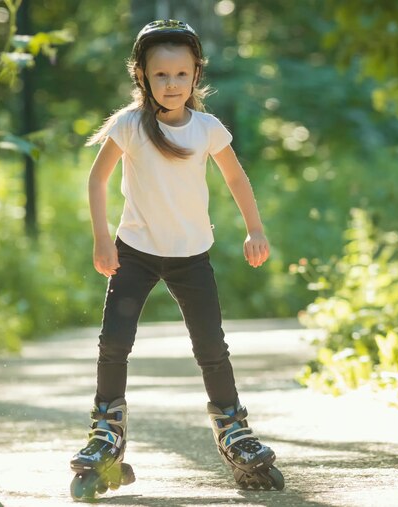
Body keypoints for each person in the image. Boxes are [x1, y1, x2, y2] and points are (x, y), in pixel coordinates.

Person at [69, 19, 284, 496]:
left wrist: (255, 228)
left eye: (181, 75)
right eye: (160, 75)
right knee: (114, 344)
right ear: (142, 76)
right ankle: (106, 433)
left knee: (212, 349)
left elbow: (236, 180)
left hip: (191, 257)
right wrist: (102, 240)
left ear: (195, 75)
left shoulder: (207, 128)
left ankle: (234, 431)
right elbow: (96, 179)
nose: (171, 84)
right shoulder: (128, 125)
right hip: (135, 253)